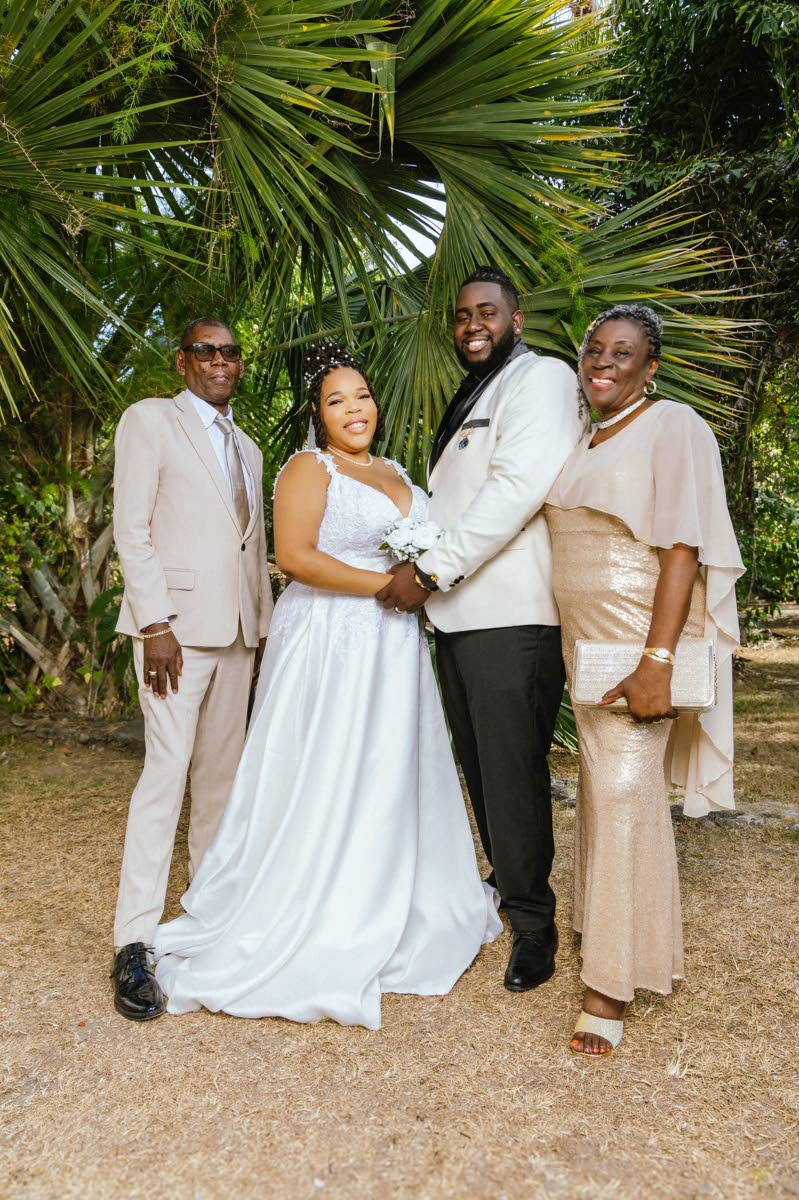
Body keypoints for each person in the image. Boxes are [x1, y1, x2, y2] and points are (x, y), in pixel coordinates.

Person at [152, 344, 501, 1029]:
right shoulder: (308, 469)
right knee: (327, 763)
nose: (354, 409)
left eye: (363, 395)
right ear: (318, 414)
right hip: (329, 640)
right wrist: (392, 586)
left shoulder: (399, 472)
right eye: (337, 399)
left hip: (392, 645)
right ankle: (314, 901)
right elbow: (295, 557)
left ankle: (391, 890)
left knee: (386, 766)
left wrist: (417, 585)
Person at [544, 304, 744, 1055]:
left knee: (627, 790)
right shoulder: (585, 435)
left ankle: (610, 985)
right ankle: (610, 931)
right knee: (601, 790)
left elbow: (682, 548)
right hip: (582, 641)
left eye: (621, 353)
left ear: (649, 367)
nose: (602, 361)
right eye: (594, 349)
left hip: (636, 643)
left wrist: (655, 659)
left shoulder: (674, 425)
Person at [377, 266, 583, 992]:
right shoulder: (476, 391)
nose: (472, 324)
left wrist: (430, 569)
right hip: (460, 619)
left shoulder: (543, 379)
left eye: (487, 313)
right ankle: (505, 884)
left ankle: (535, 926)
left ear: (515, 320)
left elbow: (514, 490)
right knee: (479, 767)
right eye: (462, 314)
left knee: (511, 773)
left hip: (511, 616)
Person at [111, 317, 274, 1021]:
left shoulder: (251, 447)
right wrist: (154, 623)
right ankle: (134, 943)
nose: (218, 360)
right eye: (205, 350)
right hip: (173, 634)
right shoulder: (150, 421)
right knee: (164, 778)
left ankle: (205, 921)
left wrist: (262, 631)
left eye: (229, 351)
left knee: (219, 785)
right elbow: (132, 527)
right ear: (182, 362)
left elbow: (251, 545)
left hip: (237, 633)